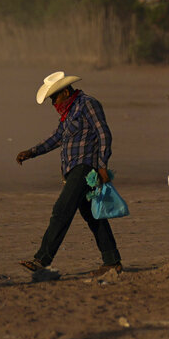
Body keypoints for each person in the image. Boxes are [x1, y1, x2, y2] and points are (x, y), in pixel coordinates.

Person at [16, 71, 123, 277]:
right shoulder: (69, 113)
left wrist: (102, 165)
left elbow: (104, 134)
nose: (53, 102)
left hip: (86, 167)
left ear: (65, 91)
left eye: (54, 97)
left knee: (61, 209)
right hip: (75, 169)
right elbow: (56, 138)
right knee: (93, 216)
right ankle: (112, 261)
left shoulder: (87, 104)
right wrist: (32, 152)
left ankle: (42, 259)